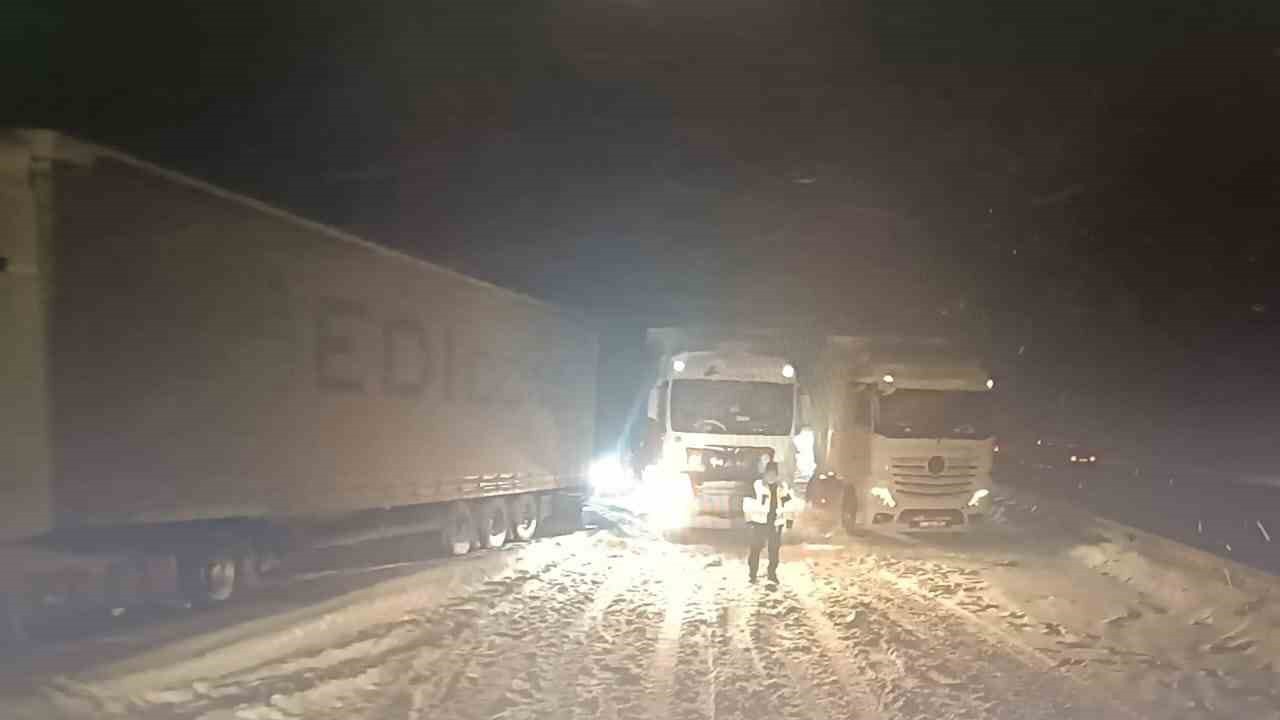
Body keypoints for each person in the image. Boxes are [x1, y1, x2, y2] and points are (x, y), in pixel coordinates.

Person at [742, 461, 797, 584]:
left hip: (776, 524)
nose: (771, 476)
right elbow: (748, 503)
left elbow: (789, 504)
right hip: (759, 523)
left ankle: (772, 574)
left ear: (777, 475)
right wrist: (749, 519)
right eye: (769, 474)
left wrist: (789, 519)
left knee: (774, 551)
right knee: (755, 549)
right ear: (765, 474)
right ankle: (752, 574)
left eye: (774, 474)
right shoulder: (757, 486)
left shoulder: (782, 488)